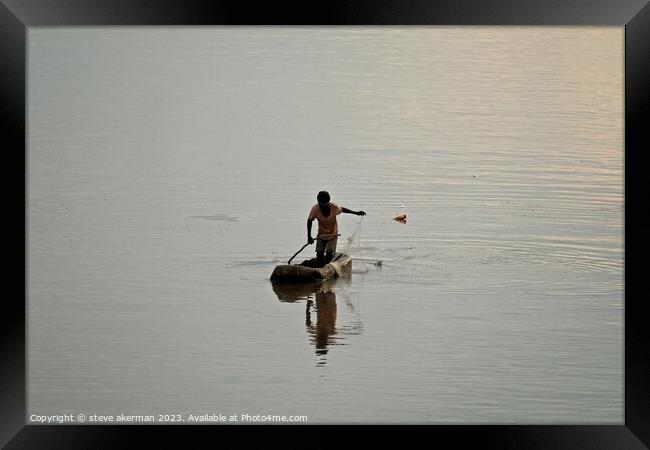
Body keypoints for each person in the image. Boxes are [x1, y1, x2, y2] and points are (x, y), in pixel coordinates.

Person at [307, 191, 366, 267]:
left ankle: (327, 268)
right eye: (321, 206)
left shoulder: (334, 207)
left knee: (329, 254)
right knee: (319, 254)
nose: (323, 208)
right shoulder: (315, 209)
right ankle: (320, 267)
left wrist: (356, 213)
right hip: (321, 235)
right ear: (318, 203)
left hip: (333, 234)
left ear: (328, 202)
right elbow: (309, 220)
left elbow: (343, 209)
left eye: (325, 206)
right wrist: (309, 236)